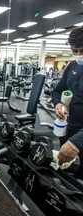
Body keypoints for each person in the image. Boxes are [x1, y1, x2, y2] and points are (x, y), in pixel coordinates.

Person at [51, 26, 83, 178]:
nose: (78, 55)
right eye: (75, 51)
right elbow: (57, 91)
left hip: (80, 135)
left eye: (82, 51)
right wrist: (58, 103)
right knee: (70, 173)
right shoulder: (72, 66)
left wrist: (76, 142)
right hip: (70, 127)